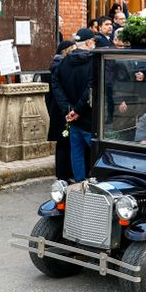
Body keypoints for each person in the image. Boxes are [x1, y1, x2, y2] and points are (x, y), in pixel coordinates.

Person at [53, 28, 97, 181]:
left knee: (76, 153)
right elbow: (91, 87)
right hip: (88, 117)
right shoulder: (92, 61)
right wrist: (76, 110)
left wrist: (68, 109)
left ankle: (79, 184)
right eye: (94, 41)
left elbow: (56, 86)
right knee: (96, 154)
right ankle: (97, 185)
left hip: (72, 116)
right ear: (89, 42)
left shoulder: (64, 61)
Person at [46, 40, 76, 181]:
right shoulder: (59, 66)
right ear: (66, 51)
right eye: (72, 48)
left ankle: (63, 173)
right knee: (63, 143)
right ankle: (63, 174)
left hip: (59, 109)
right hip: (60, 110)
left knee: (64, 142)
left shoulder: (58, 65)